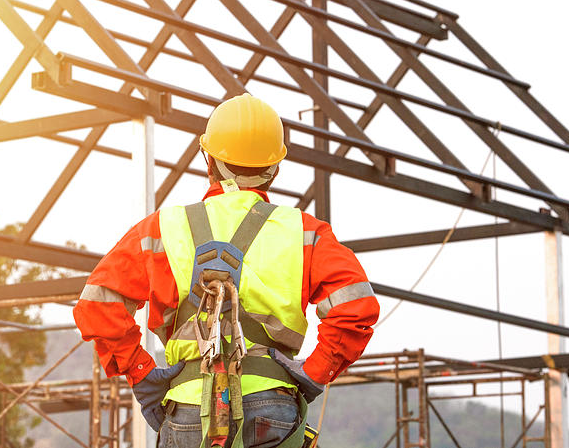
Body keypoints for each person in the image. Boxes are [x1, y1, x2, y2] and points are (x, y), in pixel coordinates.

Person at [73, 93, 379, 448]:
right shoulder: (306, 232)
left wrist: (141, 373)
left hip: (189, 408)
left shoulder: (160, 229)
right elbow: (355, 308)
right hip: (273, 408)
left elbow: (96, 306)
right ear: (275, 168)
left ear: (209, 160)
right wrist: (316, 371)